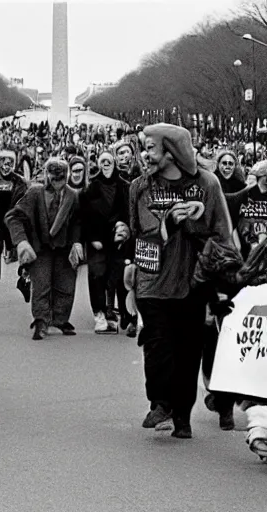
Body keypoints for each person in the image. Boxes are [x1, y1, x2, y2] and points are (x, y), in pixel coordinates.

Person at [129, 123, 232, 438]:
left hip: (192, 283)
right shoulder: (140, 187)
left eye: (151, 147)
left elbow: (222, 236)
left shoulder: (208, 184)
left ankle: (183, 417)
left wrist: (193, 229)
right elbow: (139, 230)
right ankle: (160, 402)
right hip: (152, 281)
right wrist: (168, 222)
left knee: (188, 353)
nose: (145, 154)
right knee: (157, 347)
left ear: (171, 152)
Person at [5, 157, 83, 340]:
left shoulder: (73, 196)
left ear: (67, 176)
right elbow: (13, 217)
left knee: (65, 285)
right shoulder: (35, 193)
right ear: (47, 176)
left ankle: (60, 319)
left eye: (61, 178)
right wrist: (21, 241)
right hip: (41, 247)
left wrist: (76, 242)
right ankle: (41, 319)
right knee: (41, 285)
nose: (57, 182)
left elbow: (78, 221)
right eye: (53, 177)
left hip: (64, 247)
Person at [79, 151, 133, 334]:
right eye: (103, 161)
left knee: (119, 277)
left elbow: (129, 212)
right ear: (99, 164)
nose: (106, 164)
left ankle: (125, 314)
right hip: (98, 241)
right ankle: (100, 314)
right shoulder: (91, 188)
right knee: (97, 276)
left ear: (114, 163)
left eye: (109, 161)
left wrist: (124, 231)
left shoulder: (125, 186)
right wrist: (92, 238)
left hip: (119, 239)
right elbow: (84, 217)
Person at [0, 147, 27, 304]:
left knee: (24, 253)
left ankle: (26, 281)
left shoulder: (21, 182)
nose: (6, 166)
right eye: (3, 162)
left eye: (10, 162)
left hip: (13, 223)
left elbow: (26, 202)